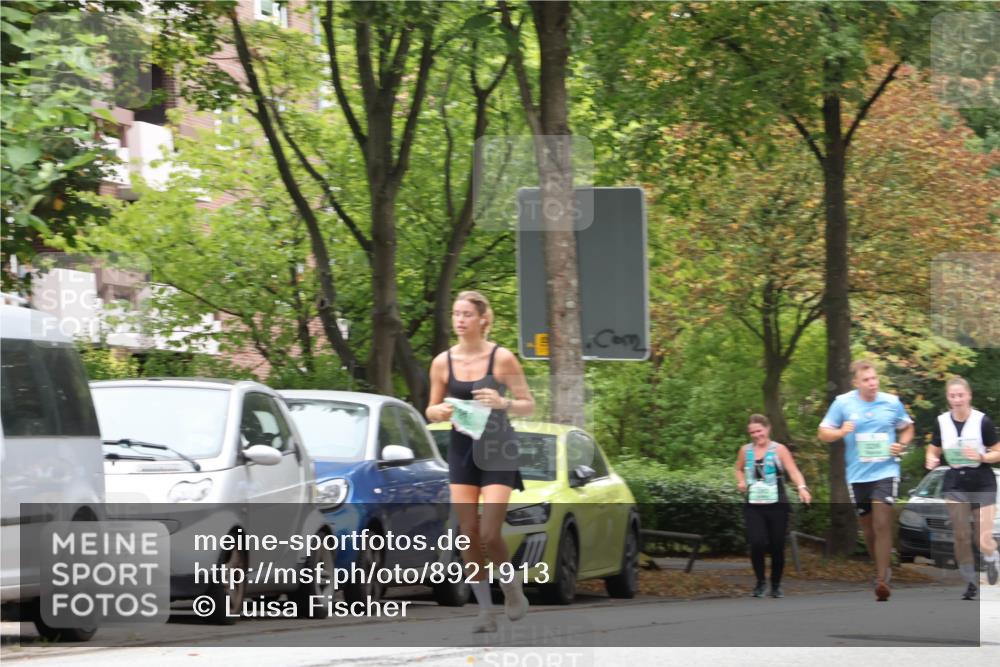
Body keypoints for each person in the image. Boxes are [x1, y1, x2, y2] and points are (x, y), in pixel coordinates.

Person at [426, 291, 535, 633]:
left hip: (498, 447)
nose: (460, 320)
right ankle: (485, 612)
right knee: (468, 533)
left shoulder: (501, 359)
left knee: (489, 532)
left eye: (467, 314)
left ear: (483, 319)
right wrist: (439, 411)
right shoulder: (443, 362)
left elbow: (528, 404)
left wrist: (502, 403)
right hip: (462, 448)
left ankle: (511, 588)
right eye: (456, 314)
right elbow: (429, 408)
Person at [818, 359, 914, 602]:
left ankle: (881, 580)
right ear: (856, 383)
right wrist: (840, 432)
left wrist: (900, 445)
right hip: (858, 476)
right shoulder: (843, 403)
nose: (872, 384)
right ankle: (882, 568)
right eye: (866, 380)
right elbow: (823, 432)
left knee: (882, 523)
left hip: (886, 471)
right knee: (869, 529)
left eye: (874, 379)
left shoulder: (891, 402)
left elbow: (908, 428)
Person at [925, 376, 1000, 600]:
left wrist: (982, 456)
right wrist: (930, 459)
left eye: (960, 395)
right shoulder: (942, 422)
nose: (957, 400)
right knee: (960, 535)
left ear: (969, 396)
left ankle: (991, 557)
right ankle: (970, 581)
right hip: (955, 480)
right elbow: (933, 448)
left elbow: (998, 451)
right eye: (952, 396)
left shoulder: (982, 421)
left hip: (981, 479)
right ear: (948, 398)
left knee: (982, 538)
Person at [734, 414, 812, 598]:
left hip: (777, 504)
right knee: (757, 543)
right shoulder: (745, 451)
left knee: (777, 546)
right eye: (752, 432)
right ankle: (760, 581)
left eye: (759, 431)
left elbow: (793, 470)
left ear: (767, 429)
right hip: (754, 504)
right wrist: (741, 481)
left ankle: (775, 584)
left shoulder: (779, 449)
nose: (756, 435)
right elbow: (738, 468)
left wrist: (802, 488)